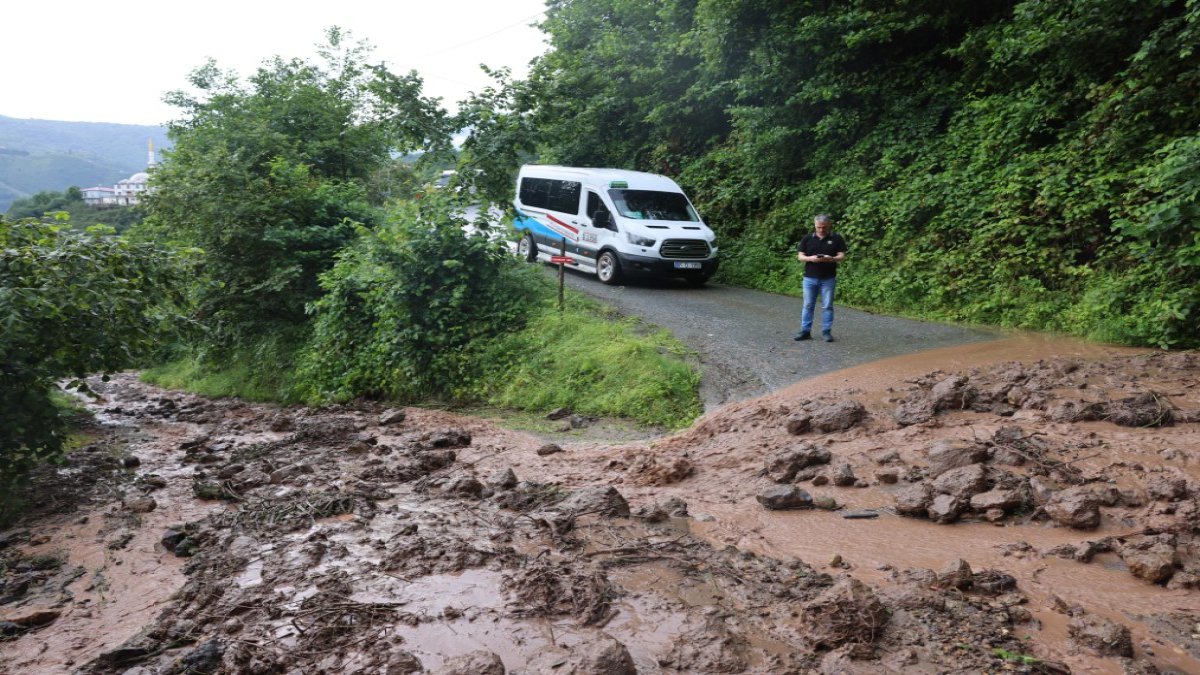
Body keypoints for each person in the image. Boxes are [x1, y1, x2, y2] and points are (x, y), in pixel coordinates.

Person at [794, 214, 847, 342]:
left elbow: (842, 256)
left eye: (824, 227)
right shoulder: (807, 239)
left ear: (829, 225)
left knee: (827, 306)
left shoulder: (836, 238)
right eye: (819, 227)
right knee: (807, 305)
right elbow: (800, 256)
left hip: (828, 278)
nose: (821, 230)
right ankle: (805, 331)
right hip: (810, 278)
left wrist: (832, 259)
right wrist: (810, 258)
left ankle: (826, 332)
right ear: (814, 225)